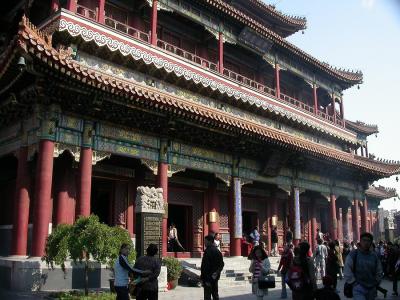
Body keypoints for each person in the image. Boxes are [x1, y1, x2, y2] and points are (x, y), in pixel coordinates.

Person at [344, 232, 383, 300]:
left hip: (371, 288)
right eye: (364, 240)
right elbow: (347, 269)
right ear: (360, 241)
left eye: (368, 241)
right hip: (358, 287)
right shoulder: (353, 254)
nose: (366, 243)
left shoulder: (374, 256)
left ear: (371, 243)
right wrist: (353, 283)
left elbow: (379, 271)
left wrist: (376, 282)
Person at [201, 234, 224, 300]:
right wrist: (217, 272)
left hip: (208, 277)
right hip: (215, 277)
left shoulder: (207, 251)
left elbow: (205, 266)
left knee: (207, 296)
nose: (204, 243)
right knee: (215, 294)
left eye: (205, 241)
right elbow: (222, 264)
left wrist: (203, 277)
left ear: (210, 241)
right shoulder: (217, 251)